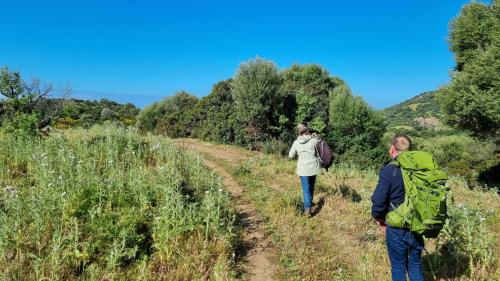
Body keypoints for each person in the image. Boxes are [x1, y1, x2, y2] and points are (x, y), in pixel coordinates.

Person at [371, 134, 425, 281]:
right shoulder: (421, 169)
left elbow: (379, 200)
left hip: (397, 227)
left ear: (393, 149)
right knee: (415, 265)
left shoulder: (390, 170)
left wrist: (379, 218)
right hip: (418, 224)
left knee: (398, 266)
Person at [288, 124, 322, 217]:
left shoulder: (296, 142)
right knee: (311, 187)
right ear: (307, 131)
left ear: (299, 133)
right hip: (313, 168)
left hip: (303, 169)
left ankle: (307, 208)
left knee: (306, 188)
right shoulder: (314, 140)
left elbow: (291, 156)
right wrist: (315, 136)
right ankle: (309, 204)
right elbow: (321, 145)